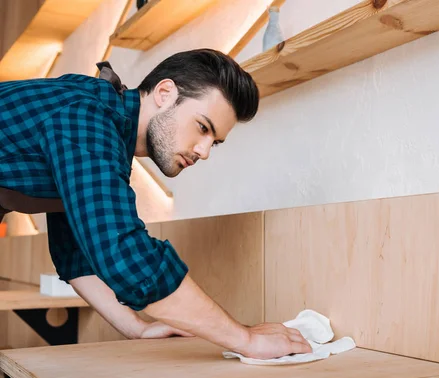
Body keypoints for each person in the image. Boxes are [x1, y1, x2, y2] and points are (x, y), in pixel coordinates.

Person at [0, 48, 312, 360]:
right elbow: (125, 258)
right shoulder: (87, 116)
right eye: (203, 127)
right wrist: (247, 340)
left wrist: (137, 328)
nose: (204, 151)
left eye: (214, 142)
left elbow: (77, 257)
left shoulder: (105, 138)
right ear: (164, 93)